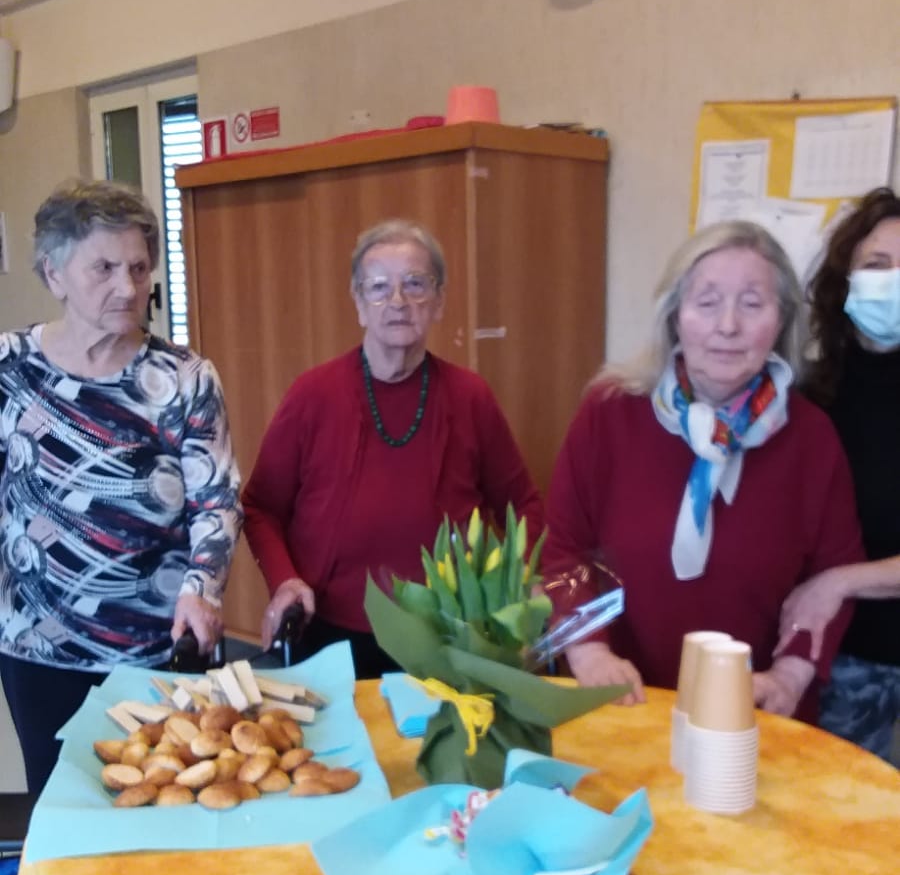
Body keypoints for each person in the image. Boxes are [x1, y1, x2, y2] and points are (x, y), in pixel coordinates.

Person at [543, 219, 863, 721]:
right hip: (621, 700)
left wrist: (791, 675)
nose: (728, 326)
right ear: (675, 316)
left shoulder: (811, 437)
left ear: (780, 322)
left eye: (752, 304)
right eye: (707, 302)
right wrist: (587, 650)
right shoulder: (609, 413)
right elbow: (562, 552)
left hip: (751, 715)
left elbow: (831, 579)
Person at [0, 179, 242, 798]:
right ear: (54, 274)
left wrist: (203, 588)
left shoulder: (185, 379)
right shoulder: (10, 369)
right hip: (39, 651)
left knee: (160, 816)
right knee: (61, 817)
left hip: (156, 652)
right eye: (103, 268)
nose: (129, 287)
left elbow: (214, 500)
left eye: (138, 267)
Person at [242, 218, 544, 677]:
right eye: (379, 287)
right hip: (327, 631)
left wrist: (524, 584)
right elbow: (260, 506)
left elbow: (523, 504)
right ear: (359, 303)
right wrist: (284, 581)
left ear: (439, 300)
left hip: (448, 634)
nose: (398, 302)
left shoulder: (470, 396)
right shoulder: (313, 394)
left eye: (415, 285)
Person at [776, 188, 900, 763]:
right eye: (878, 266)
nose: (893, 280)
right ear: (843, 279)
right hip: (839, 663)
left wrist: (843, 580)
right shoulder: (807, 395)